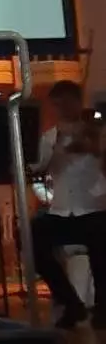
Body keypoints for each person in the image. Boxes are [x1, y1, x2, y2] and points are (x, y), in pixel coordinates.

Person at [29, 80, 106, 328]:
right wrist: (56, 145)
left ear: (77, 102)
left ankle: (103, 308)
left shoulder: (97, 132)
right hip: (62, 210)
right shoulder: (49, 137)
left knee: (100, 241)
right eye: (57, 105)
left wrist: (94, 143)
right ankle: (71, 303)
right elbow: (37, 166)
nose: (62, 110)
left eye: (67, 103)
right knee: (32, 238)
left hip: (94, 207)